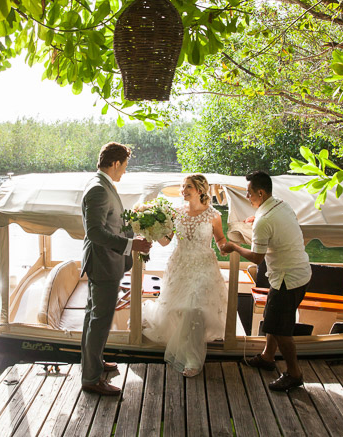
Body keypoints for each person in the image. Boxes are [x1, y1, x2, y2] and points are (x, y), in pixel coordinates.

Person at [220, 170, 311, 391]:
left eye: (250, 193)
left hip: (287, 280)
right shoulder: (281, 205)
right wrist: (255, 220)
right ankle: (267, 357)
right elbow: (273, 228)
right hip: (300, 273)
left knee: (281, 330)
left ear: (261, 192)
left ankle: (294, 373)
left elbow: (257, 257)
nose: (248, 197)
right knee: (273, 319)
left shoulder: (264, 220)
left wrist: (232, 246)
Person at [80, 142, 151, 396]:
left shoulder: (102, 184)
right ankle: (91, 379)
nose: (125, 172)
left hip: (104, 262)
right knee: (99, 321)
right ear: (115, 163)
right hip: (103, 264)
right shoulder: (99, 189)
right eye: (125, 166)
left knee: (94, 318)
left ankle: (94, 364)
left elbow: (112, 222)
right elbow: (96, 232)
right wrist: (132, 244)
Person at [141, 174, 228, 377]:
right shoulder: (177, 213)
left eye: (188, 186)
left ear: (199, 189)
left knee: (194, 308)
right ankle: (187, 344)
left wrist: (228, 247)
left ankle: (193, 359)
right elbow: (166, 241)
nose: (183, 190)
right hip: (180, 264)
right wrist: (148, 230)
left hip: (204, 266)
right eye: (182, 187)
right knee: (179, 309)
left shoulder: (213, 215)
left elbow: (221, 239)